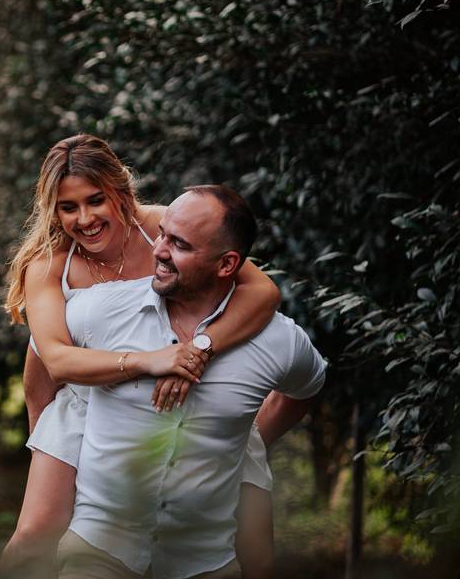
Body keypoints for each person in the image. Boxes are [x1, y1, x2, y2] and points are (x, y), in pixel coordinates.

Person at [0, 135, 282, 577]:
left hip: (183, 390)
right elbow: (52, 361)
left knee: (254, 551)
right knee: (35, 534)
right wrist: (148, 361)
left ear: (121, 190)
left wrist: (199, 351)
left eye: (96, 200)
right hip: (90, 396)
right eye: (68, 207)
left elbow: (263, 290)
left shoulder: (168, 228)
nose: (85, 219)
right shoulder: (50, 263)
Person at [55, 185, 326, 578]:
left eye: (179, 244)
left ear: (227, 264)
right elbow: (45, 357)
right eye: (162, 233)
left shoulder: (279, 341)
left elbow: (308, 387)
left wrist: (248, 443)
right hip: (99, 552)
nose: (159, 251)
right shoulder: (102, 310)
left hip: (205, 563)